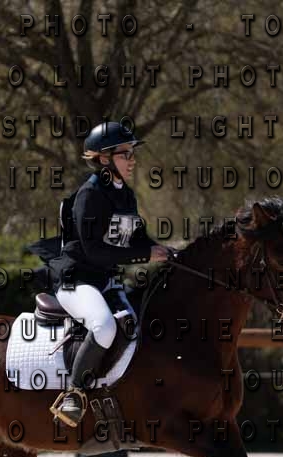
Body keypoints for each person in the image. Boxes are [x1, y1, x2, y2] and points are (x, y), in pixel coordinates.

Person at [28, 121, 175, 428]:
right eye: (125, 154)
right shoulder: (90, 195)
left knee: (139, 326)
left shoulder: (126, 196)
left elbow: (137, 239)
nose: (132, 160)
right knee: (105, 327)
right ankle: (73, 396)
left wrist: (166, 250)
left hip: (105, 281)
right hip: (76, 281)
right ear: (105, 159)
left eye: (133, 153)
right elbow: (94, 251)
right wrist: (145, 255)